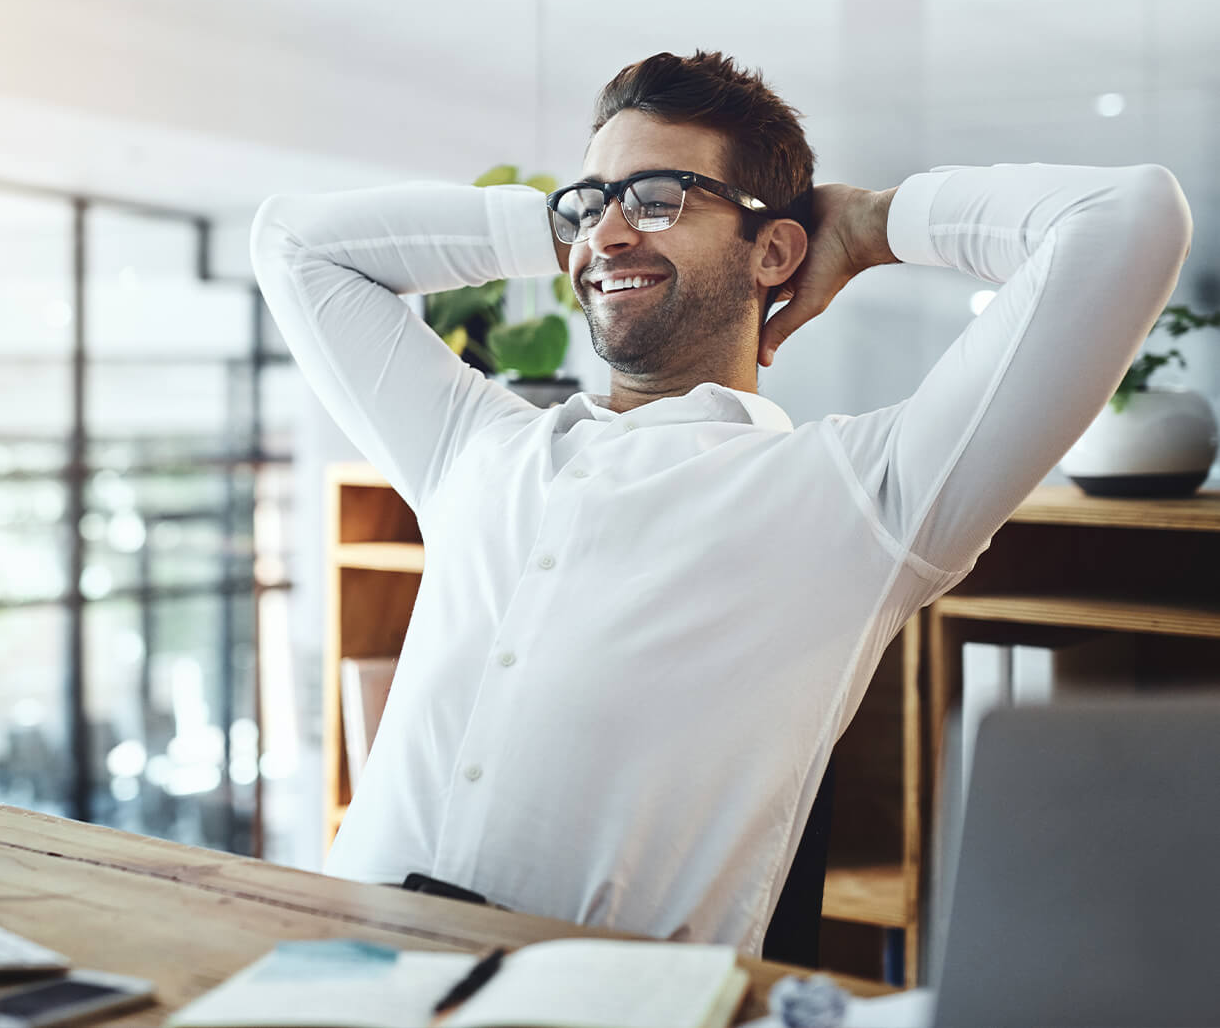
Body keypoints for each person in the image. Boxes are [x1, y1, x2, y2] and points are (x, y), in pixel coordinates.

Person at [249, 50, 1192, 952]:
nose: (610, 233)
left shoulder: (862, 499)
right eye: (590, 205)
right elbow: (292, 244)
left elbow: (1126, 219)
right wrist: (571, 227)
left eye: (660, 199)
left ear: (775, 249)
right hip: (333, 978)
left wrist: (865, 224)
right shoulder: (474, 444)